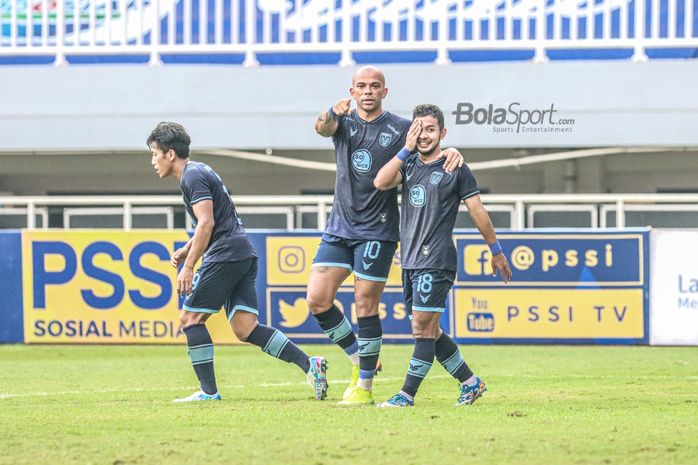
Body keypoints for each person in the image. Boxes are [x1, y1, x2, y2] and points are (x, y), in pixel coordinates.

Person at [311, 66, 464, 405]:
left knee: (365, 305)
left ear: (385, 91)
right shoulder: (343, 121)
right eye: (361, 86)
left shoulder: (400, 128)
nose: (368, 91)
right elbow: (322, 128)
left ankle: (363, 388)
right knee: (317, 299)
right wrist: (329, 112)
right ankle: (360, 357)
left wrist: (453, 152)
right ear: (352, 92)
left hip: (378, 229)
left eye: (374, 86)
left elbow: (429, 147)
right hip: (339, 226)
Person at [147, 122, 328, 402]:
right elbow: (211, 222)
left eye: (154, 154)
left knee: (190, 318)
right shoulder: (199, 170)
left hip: (226, 253)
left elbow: (206, 223)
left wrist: (189, 265)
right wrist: (187, 249)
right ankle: (310, 364)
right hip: (241, 250)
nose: (153, 161)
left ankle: (208, 392)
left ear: (170, 154)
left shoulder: (191, 176)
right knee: (245, 328)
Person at [373, 104, 512, 407]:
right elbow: (380, 182)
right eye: (418, 129)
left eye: (430, 129)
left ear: (443, 133)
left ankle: (406, 395)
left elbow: (477, 211)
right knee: (431, 331)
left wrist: (496, 250)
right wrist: (404, 148)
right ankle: (471, 383)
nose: (424, 136)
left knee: (422, 329)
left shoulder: (454, 167)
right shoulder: (408, 165)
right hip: (409, 261)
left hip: (436, 260)